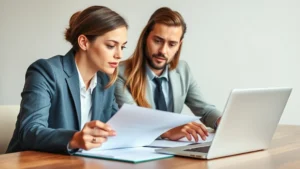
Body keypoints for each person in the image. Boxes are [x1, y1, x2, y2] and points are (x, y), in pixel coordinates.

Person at [6, 5, 128, 154]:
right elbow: (29, 131)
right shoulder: (45, 71)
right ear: (84, 42)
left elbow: (118, 126)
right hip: (32, 163)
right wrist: (75, 138)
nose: (119, 55)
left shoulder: (105, 80)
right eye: (111, 46)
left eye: (123, 47)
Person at [115, 7, 221, 142]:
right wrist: (168, 132)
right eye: (157, 41)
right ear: (145, 37)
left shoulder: (183, 70)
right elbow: (133, 122)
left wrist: (222, 121)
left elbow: (205, 110)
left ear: (179, 45)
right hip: (137, 151)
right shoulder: (120, 73)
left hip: (172, 152)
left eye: (172, 44)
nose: (163, 51)